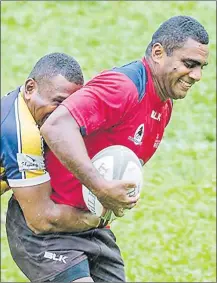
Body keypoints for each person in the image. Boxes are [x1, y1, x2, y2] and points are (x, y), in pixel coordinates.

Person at [6, 16, 209, 282]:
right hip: (47, 229)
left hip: (91, 228)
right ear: (158, 53)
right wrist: (100, 187)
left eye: (201, 67)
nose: (197, 75)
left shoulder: (163, 104)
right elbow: (56, 126)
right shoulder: (122, 87)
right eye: (189, 64)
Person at [1, 52, 106, 281]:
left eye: (69, 106)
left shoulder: (25, 107)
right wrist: (98, 216)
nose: (62, 114)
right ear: (30, 88)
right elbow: (41, 218)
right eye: (57, 102)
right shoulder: (21, 134)